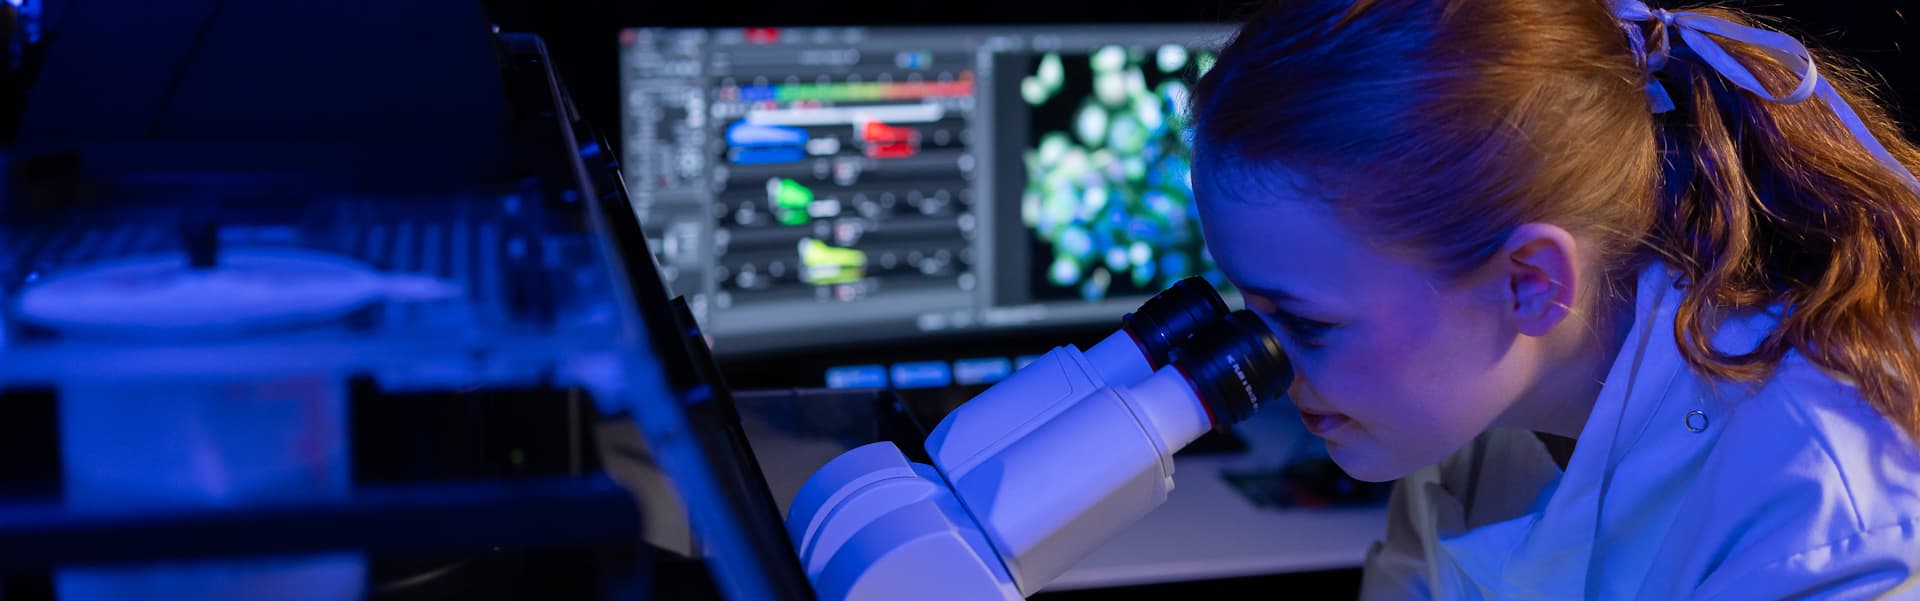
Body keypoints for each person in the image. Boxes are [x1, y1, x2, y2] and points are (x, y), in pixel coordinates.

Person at [1188, 0, 1920, 597]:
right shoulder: (1480, 396)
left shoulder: (1822, 511)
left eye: (1308, 324)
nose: (1268, 366)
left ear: (1530, 283)